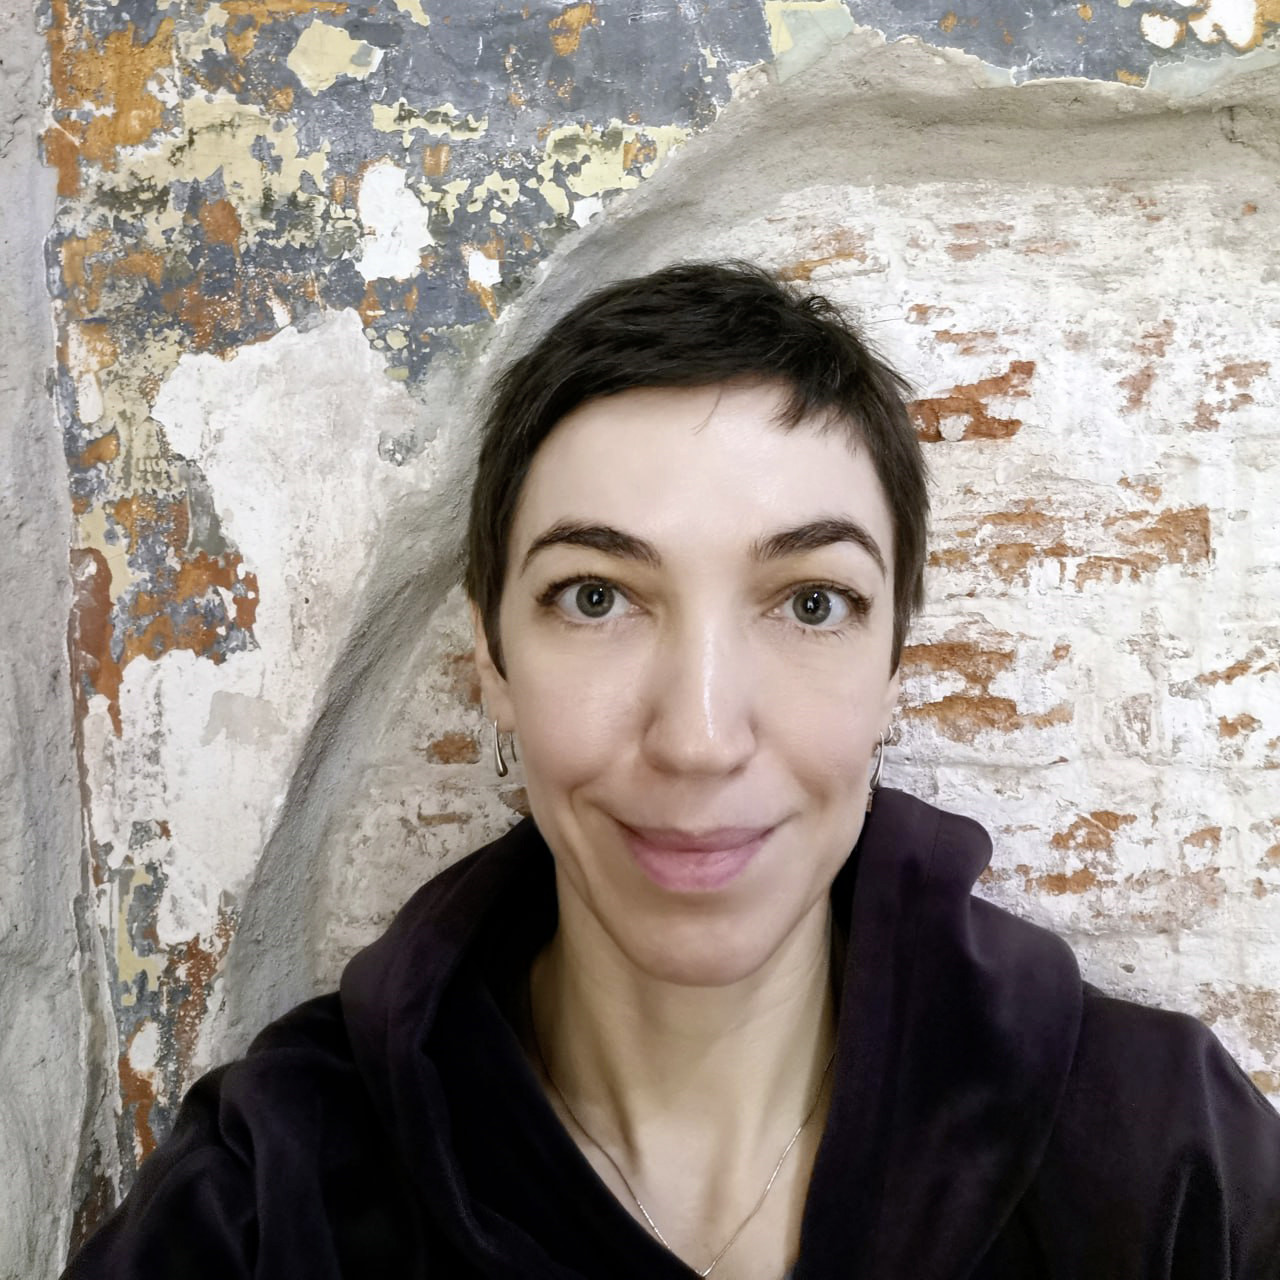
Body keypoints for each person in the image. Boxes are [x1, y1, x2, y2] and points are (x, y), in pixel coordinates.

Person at [63, 263, 1280, 1279]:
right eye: (595, 596)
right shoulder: (268, 1204)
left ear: (893, 665)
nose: (698, 738)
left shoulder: (1166, 1164)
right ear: (490, 656)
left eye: (811, 601)